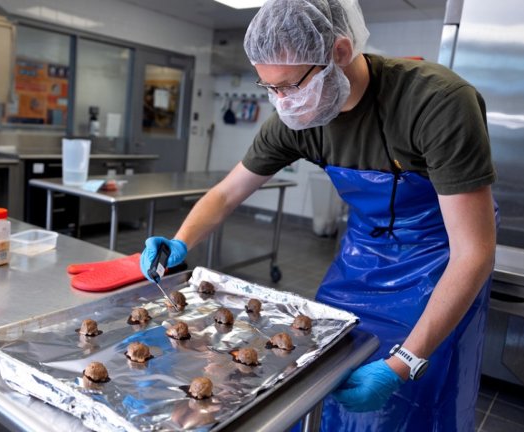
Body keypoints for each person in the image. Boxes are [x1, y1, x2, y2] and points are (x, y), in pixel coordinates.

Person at [140, 0, 498, 430]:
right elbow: (226, 194)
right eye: (269, 88)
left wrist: (403, 362)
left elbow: (474, 251)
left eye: (289, 86)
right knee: (319, 374)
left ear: (340, 53)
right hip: (362, 258)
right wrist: (181, 241)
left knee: (413, 398)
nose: (282, 103)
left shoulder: (436, 103)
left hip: (442, 264)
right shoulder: (297, 120)